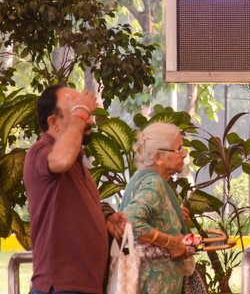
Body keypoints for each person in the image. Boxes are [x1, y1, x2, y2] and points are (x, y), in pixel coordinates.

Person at [23, 84, 127, 294]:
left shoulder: (77, 162)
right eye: (77, 111)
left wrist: (105, 219)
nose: (88, 119)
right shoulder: (39, 152)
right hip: (60, 286)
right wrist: (81, 110)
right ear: (54, 123)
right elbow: (61, 159)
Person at [120, 122, 195, 294]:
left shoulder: (143, 178)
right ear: (158, 157)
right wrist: (171, 243)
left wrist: (173, 217)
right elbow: (130, 221)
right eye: (178, 149)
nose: (184, 154)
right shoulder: (153, 183)